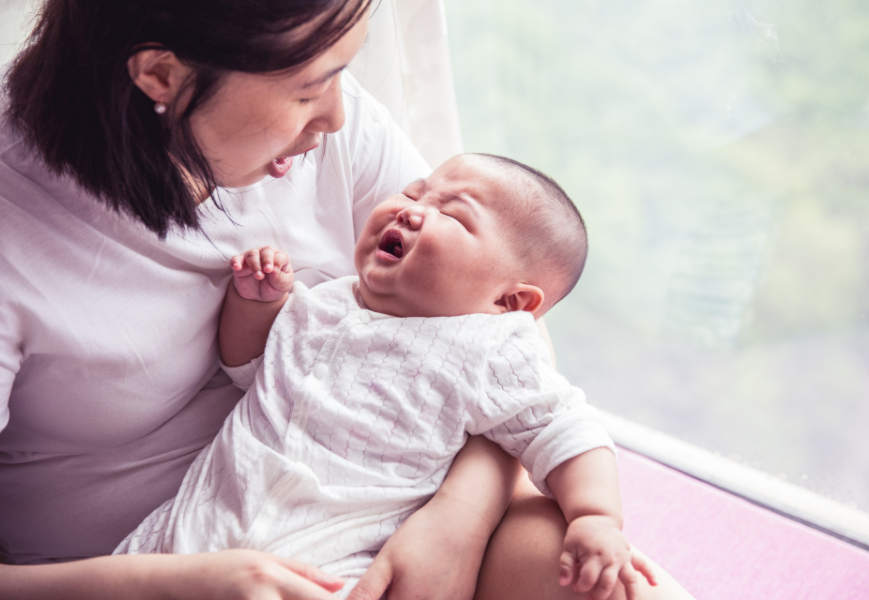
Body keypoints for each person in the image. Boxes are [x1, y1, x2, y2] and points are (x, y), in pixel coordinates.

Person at [0, 0, 694, 598]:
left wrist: (459, 516)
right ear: (161, 74)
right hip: (140, 566)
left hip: (390, 512)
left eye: (344, 72)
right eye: (310, 88)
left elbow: (502, 325)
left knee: (613, 579)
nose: (336, 116)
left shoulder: (330, 118)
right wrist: (175, 584)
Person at [116, 153, 657, 600]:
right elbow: (248, 368)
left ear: (510, 300)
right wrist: (257, 304)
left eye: (456, 216)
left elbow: (565, 430)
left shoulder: (488, 349)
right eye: (414, 192)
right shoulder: (325, 300)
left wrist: (594, 517)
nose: (410, 210)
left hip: (334, 560)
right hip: (196, 527)